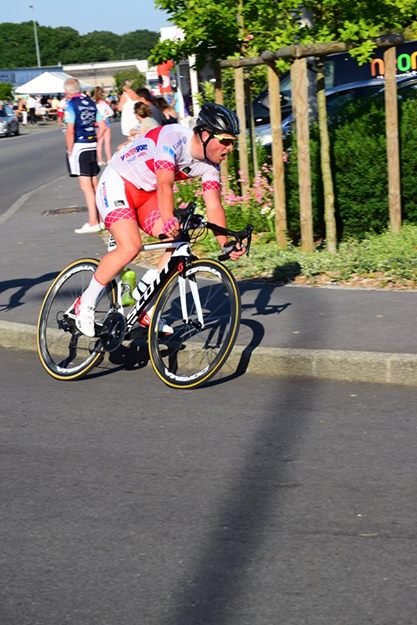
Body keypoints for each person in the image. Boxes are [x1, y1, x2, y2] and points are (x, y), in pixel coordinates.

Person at [73, 102, 246, 338]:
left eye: (232, 142)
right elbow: (165, 184)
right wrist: (168, 219)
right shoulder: (173, 138)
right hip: (119, 182)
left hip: (147, 195)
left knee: (178, 242)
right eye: (225, 141)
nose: (230, 148)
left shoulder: (211, 166)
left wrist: (224, 242)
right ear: (205, 135)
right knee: (130, 246)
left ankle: (147, 302)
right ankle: (85, 302)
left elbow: (214, 205)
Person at [63, 77, 106, 234]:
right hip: (92, 142)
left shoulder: (71, 105)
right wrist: (97, 139)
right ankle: (101, 218)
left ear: (67, 92)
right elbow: (102, 125)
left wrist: (69, 150)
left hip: (79, 144)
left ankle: (93, 221)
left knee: (85, 185)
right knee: (94, 182)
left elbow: (70, 130)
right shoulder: (90, 102)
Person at [93, 86, 114, 165]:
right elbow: (111, 112)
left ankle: (99, 160)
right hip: (105, 121)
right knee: (107, 142)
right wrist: (107, 114)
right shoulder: (104, 103)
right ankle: (109, 159)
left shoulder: (94, 103)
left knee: (99, 142)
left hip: (98, 123)